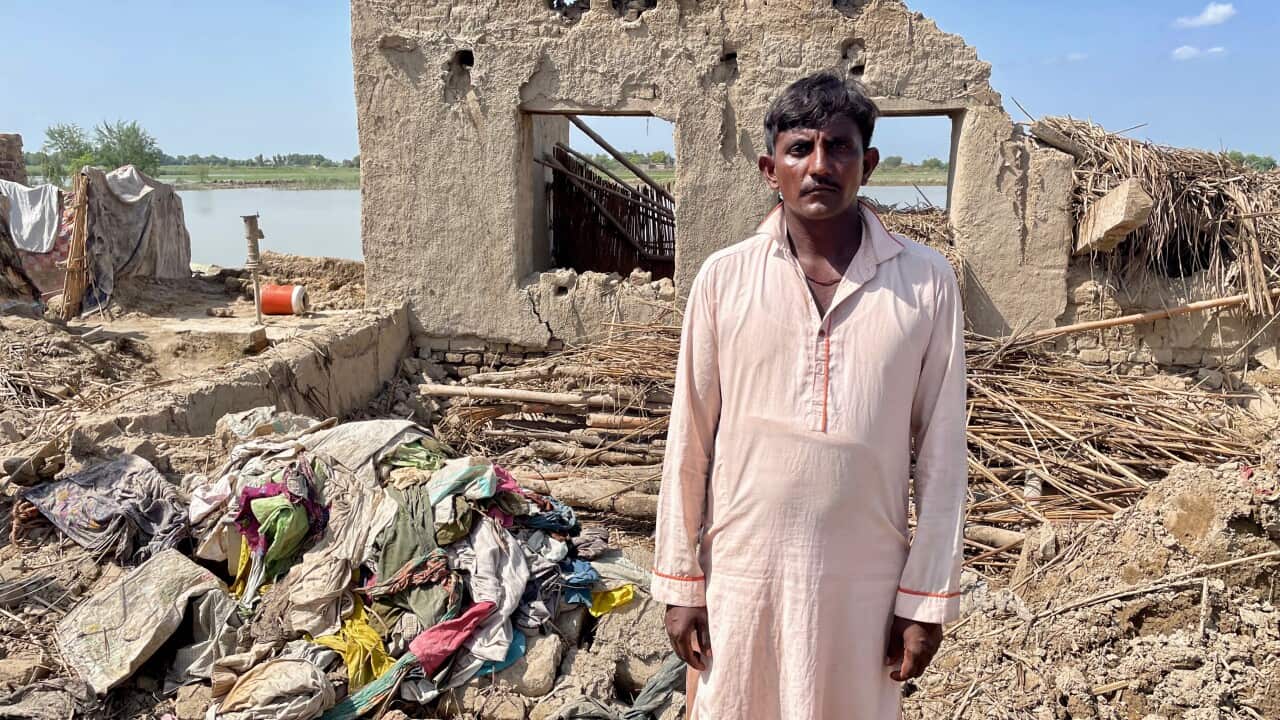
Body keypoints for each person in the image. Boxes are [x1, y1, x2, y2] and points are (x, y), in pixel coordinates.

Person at [651, 72, 967, 720]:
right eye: (800, 149)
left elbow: (943, 451)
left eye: (840, 147)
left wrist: (924, 599)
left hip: (866, 581)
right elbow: (689, 440)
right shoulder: (724, 279)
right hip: (744, 574)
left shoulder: (926, 283)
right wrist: (682, 580)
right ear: (771, 168)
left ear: (868, 163)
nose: (820, 166)